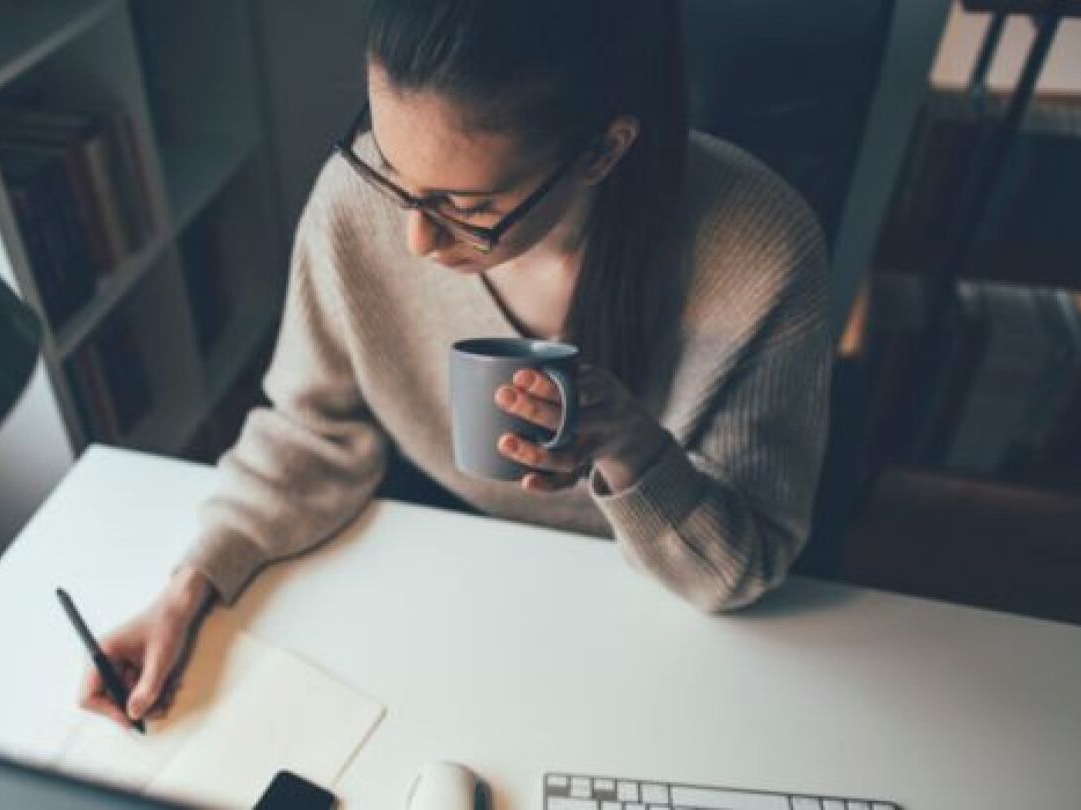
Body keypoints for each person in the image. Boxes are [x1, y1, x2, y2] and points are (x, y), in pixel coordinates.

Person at [81, 0, 830, 728]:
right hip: (436, 566)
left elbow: (742, 563)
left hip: (659, 621)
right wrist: (187, 592)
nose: (414, 241)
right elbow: (310, 429)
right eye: (390, 169)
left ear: (603, 150)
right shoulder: (356, 201)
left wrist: (634, 448)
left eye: (467, 208)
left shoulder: (761, 250)